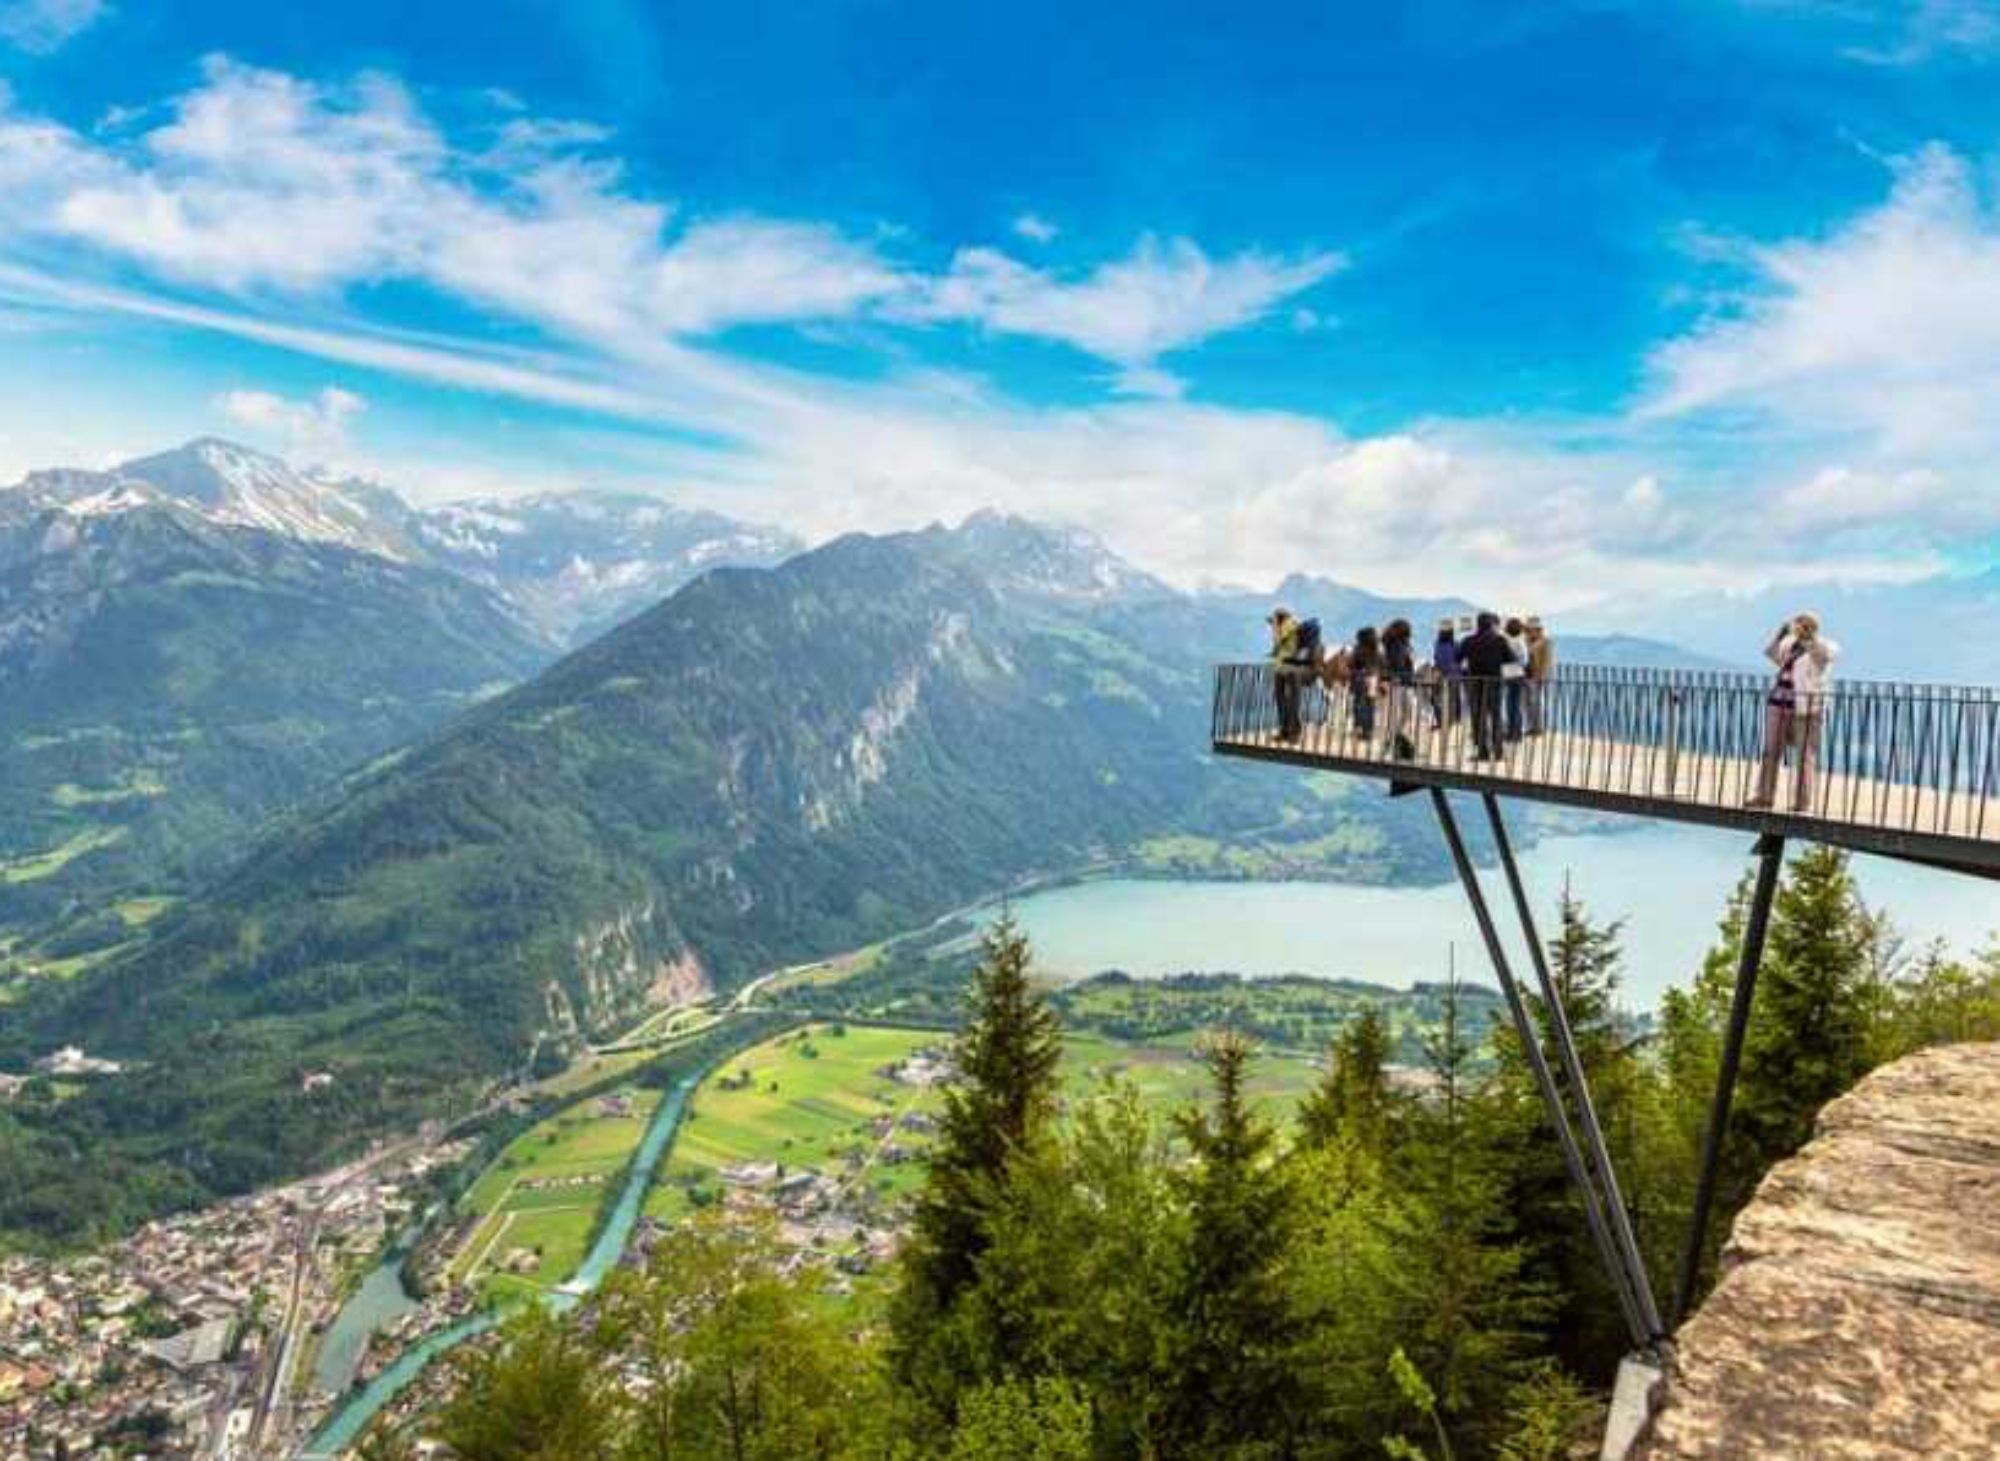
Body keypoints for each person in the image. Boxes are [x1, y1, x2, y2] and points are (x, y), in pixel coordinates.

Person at [1748, 612, 1838, 811]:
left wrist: (1810, 639)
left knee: (1805, 756)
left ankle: (1801, 802)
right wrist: (1780, 633)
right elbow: (1772, 655)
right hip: (1778, 703)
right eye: (1799, 624)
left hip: (1805, 708)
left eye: (1805, 625)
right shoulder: (1790, 644)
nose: (1801, 628)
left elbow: (1824, 657)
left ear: (1814, 628)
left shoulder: (1824, 646)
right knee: (1770, 752)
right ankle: (1764, 796)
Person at [1457, 611, 1518, 761]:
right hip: (1495, 682)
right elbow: (1512, 658)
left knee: (1478, 717)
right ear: (1491, 624)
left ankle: (1482, 751)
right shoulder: (1500, 640)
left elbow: (1457, 657)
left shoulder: (1468, 640)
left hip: (1475, 682)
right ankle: (1498, 752)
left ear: (1478, 624)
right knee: (1496, 715)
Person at [1382, 618, 1419, 759]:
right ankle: (1390, 741)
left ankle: (1392, 740)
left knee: (1404, 714)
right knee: (1400, 715)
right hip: (1400, 683)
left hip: (1404, 683)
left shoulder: (1401, 644)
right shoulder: (1397, 645)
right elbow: (1397, 664)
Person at [1268, 607, 1304, 742]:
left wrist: (1275, 628)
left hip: (1289, 668)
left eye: (1275, 619)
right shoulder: (1288, 626)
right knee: (1283, 700)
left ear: (1280, 618)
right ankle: (1286, 730)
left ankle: (1293, 733)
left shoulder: (1288, 627)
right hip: (1283, 668)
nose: (1273, 623)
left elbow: (1279, 643)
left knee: (1290, 701)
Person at [1348, 625, 1383, 743]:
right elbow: (1381, 664)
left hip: (1360, 679)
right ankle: (1368, 732)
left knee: (1359, 704)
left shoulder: (1359, 648)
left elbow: (1352, 663)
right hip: (1373, 678)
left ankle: (1359, 728)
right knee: (1370, 706)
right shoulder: (1377, 649)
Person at [1524, 616, 1554, 736]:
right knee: (1527, 702)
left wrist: (1543, 675)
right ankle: (1531, 725)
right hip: (1528, 675)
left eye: (1532, 629)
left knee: (1537, 702)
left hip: (1539, 675)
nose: (1530, 631)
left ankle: (1539, 727)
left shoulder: (1546, 641)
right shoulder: (1527, 640)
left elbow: (1547, 660)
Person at [1502, 616, 1530, 743]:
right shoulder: (1521, 642)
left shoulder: (1505, 641)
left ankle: (1510, 731)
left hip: (1507, 675)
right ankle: (1517, 733)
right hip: (1518, 675)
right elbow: (1524, 661)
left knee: (1509, 704)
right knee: (1517, 704)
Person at [1430, 617, 1460, 729]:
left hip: (1440, 676)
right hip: (1454, 676)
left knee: (1435, 699)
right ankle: (1450, 722)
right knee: (1451, 700)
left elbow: (1437, 659)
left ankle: (1442, 721)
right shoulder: (1455, 644)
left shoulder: (1437, 644)